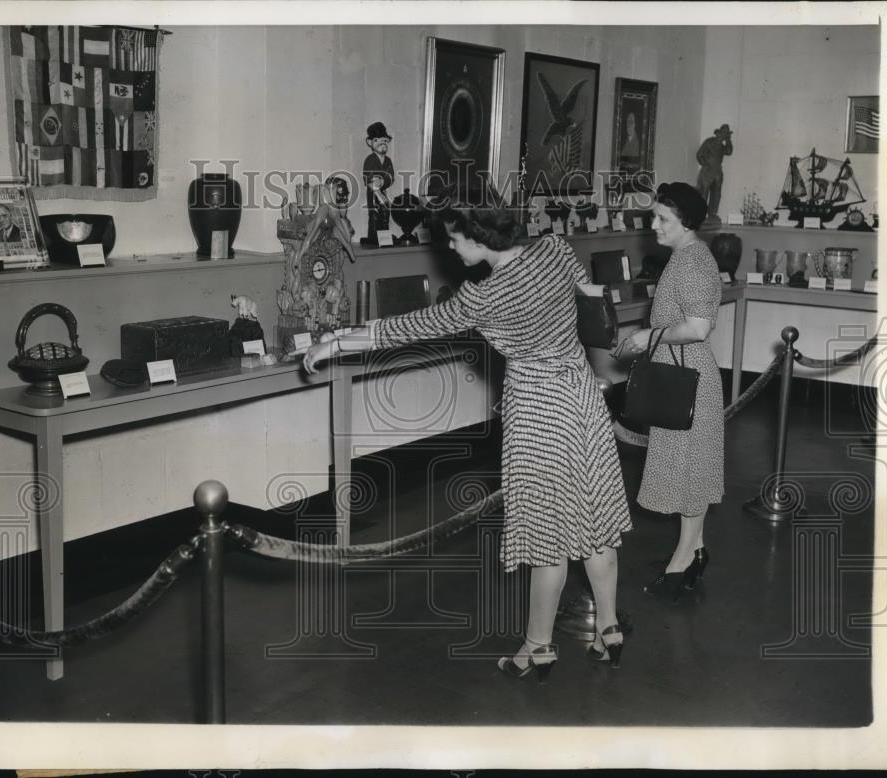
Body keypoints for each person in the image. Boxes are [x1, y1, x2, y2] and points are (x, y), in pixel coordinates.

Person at [303, 192, 633, 677]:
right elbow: (591, 305)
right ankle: (609, 629)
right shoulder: (556, 249)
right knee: (595, 520)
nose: (452, 249)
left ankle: (537, 648)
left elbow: (407, 328)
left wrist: (334, 342)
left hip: (539, 413)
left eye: (455, 238)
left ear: (479, 236)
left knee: (547, 540)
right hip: (582, 398)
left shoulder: (483, 296)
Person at [621, 182, 724, 601]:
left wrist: (649, 336)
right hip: (680, 376)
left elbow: (699, 328)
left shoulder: (694, 261)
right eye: (655, 216)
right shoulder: (684, 256)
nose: (654, 224)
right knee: (687, 471)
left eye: (663, 219)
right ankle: (695, 551)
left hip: (691, 381)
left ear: (687, 223)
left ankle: (681, 561)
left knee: (691, 474)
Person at [361, 121, 394, 245]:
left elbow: (391, 176)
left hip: (383, 191)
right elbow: (368, 178)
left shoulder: (388, 160)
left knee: (385, 212)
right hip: (373, 192)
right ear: (370, 142)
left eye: (385, 141)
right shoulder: (369, 160)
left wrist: (384, 181)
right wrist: (376, 186)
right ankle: (374, 238)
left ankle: (384, 238)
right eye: (377, 140)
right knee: (374, 213)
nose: (382, 143)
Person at [695, 124, 733, 219]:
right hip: (707, 172)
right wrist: (706, 164)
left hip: (718, 173)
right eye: (723, 134)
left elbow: (729, 151)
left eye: (726, 135)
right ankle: (701, 213)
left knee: (716, 194)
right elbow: (699, 154)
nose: (723, 136)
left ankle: (713, 214)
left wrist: (728, 140)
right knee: (704, 192)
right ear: (718, 133)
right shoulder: (709, 142)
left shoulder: (722, 146)